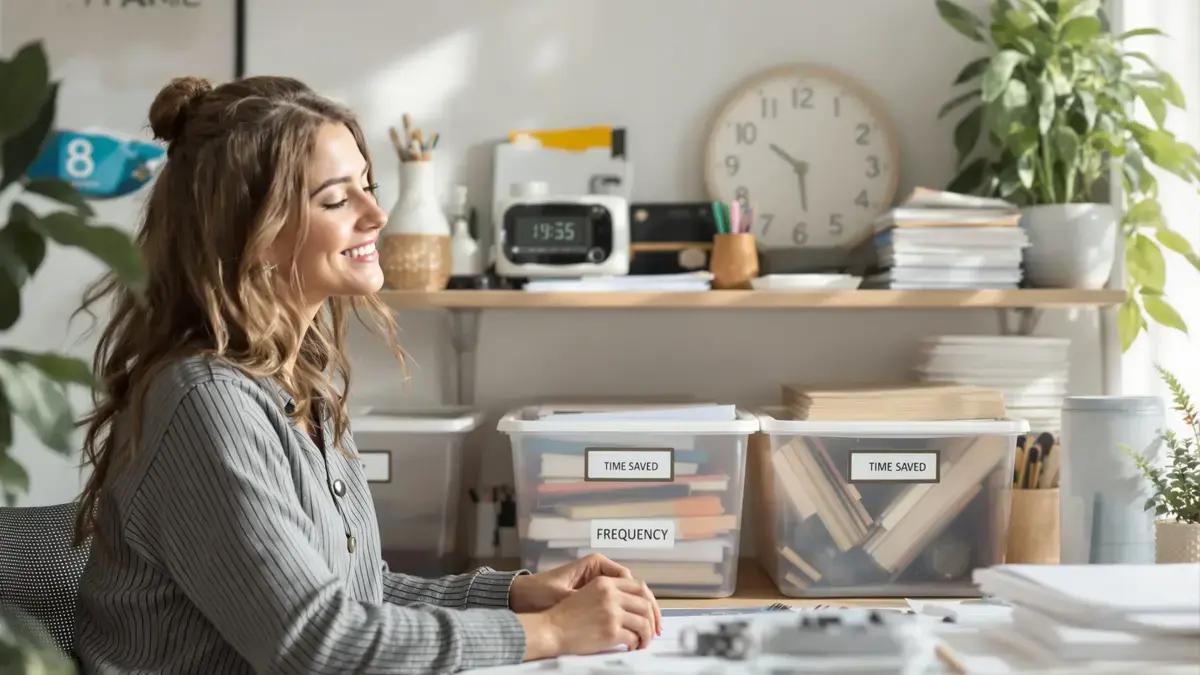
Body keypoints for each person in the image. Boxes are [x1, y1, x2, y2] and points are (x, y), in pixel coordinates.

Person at [70, 75, 661, 674]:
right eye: (336, 199)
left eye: (368, 186)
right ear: (256, 234)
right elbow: (319, 643)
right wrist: (549, 633)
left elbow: (355, 595)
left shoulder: (300, 384)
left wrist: (512, 595)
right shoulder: (205, 403)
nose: (377, 214)